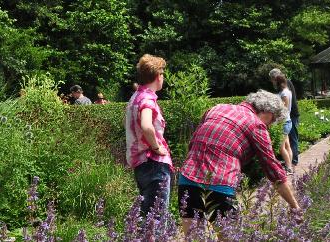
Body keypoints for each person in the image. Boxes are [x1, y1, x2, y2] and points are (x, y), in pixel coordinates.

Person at [178, 90, 301, 230]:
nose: (270, 126)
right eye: (272, 121)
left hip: (187, 180)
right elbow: (273, 169)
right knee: (230, 237)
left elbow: (193, 142)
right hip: (220, 184)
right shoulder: (257, 125)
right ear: (269, 113)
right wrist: (294, 206)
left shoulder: (216, 108)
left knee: (193, 237)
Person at [124, 54, 172, 216]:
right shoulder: (147, 100)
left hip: (141, 165)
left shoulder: (135, 97)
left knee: (147, 218)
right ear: (158, 76)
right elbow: (146, 125)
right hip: (154, 164)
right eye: (163, 74)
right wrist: (156, 146)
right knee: (156, 222)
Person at [269, 68, 301, 167]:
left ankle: (293, 162)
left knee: (292, 138)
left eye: (271, 79)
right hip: (288, 116)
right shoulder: (283, 86)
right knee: (288, 142)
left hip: (290, 115)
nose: (271, 81)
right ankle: (290, 162)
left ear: (275, 78)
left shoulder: (285, 86)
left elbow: (286, 104)